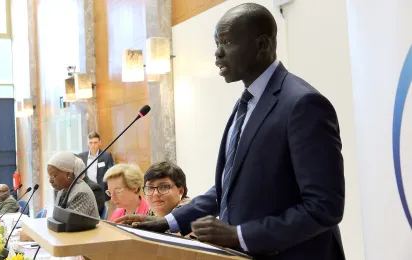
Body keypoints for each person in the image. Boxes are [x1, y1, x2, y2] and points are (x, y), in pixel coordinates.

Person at [115, 3, 345, 260]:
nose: (217, 54)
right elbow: (229, 187)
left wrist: (240, 235)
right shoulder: (245, 103)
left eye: (226, 42)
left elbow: (324, 207)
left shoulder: (303, 104)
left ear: (262, 45)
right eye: (216, 44)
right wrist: (168, 222)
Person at [48, 151, 99, 219]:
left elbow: (69, 223)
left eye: (54, 176)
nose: (50, 181)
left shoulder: (82, 193)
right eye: (49, 176)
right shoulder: (62, 190)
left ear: (68, 174)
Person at [78, 132, 114, 214]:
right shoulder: (81, 156)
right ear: (88, 143)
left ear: (100, 143)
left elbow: (111, 174)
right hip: (86, 191)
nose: (93, 145)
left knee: (103, 215)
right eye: (91, 143)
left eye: (95, 142)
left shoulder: (106, 156)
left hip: (102, 192)